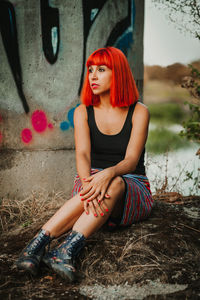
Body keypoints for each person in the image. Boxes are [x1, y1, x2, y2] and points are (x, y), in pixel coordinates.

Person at [15, 47, 154, 282]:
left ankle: (65, 250)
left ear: (118, 73)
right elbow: (82, 155)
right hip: (90, 182)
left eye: (101, 69)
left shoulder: (139, 111)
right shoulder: (82, 112)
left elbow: (131, 161)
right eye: (90, 70)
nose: (93, 76)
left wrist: (108, 173)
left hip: (131, 184)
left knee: (115, 183)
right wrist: (89, 181)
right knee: (96, 188)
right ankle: (37, 247)